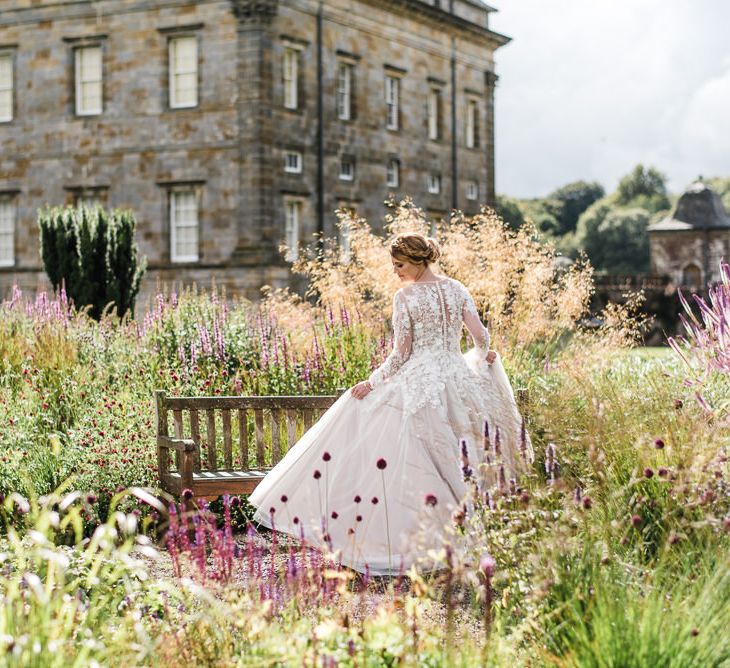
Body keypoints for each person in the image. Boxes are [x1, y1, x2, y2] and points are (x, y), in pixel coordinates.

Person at [249, 233, 533, 575]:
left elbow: (401, 354)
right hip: (458, 378)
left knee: (398, 447)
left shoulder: (407, 297)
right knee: (463, 457)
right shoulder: (457, 288)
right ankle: (473, 534)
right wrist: (475, 358)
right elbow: (482, 337)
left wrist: (372, 382)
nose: (396, 272)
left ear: (416, 260)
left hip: (420, 385)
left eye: (399, 265)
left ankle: (411, 542)